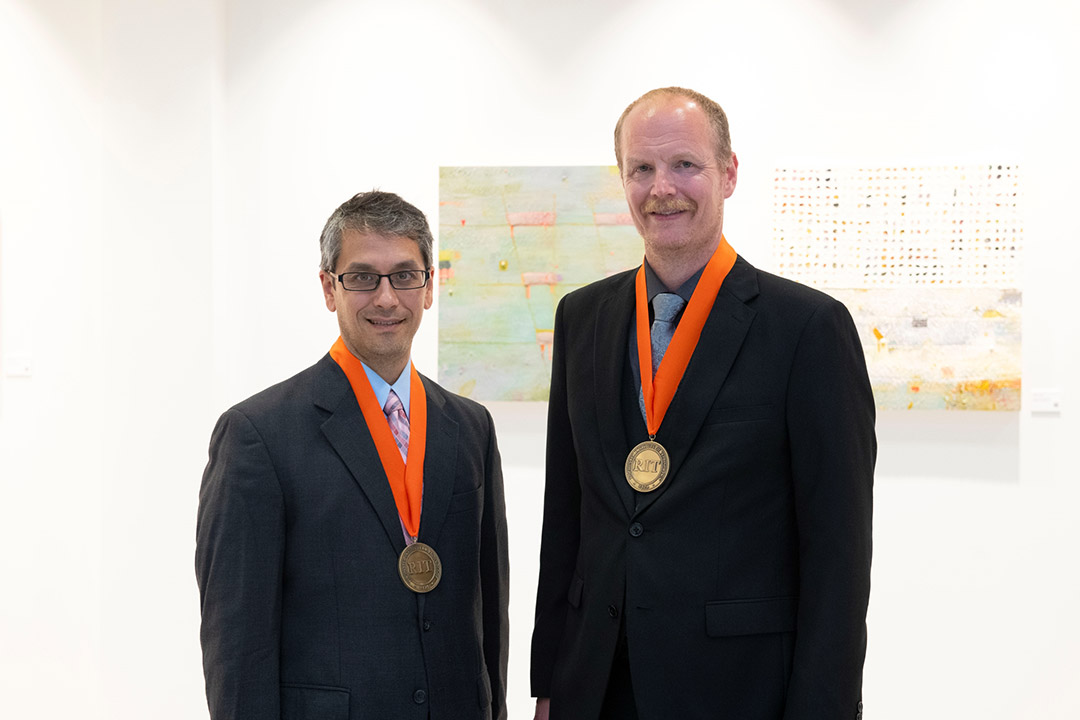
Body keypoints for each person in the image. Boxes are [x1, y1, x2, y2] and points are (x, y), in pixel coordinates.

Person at [530, 87, 875, 720]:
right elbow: (566, 522)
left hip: (738, 691)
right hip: (595, 685)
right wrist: (548, 685)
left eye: (684, 164)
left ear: (729, 173)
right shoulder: (581, 318)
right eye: (642, 169)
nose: (662, 187)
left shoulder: (808, 329)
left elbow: (838, 559)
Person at [196, 191, 509, 720]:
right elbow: (238, 643)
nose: (386, 298)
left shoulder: (470, 425)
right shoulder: (258, 434)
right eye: (363, 277)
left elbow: (489, 608)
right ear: (328, 287)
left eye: (405, 276)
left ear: (429, 287)